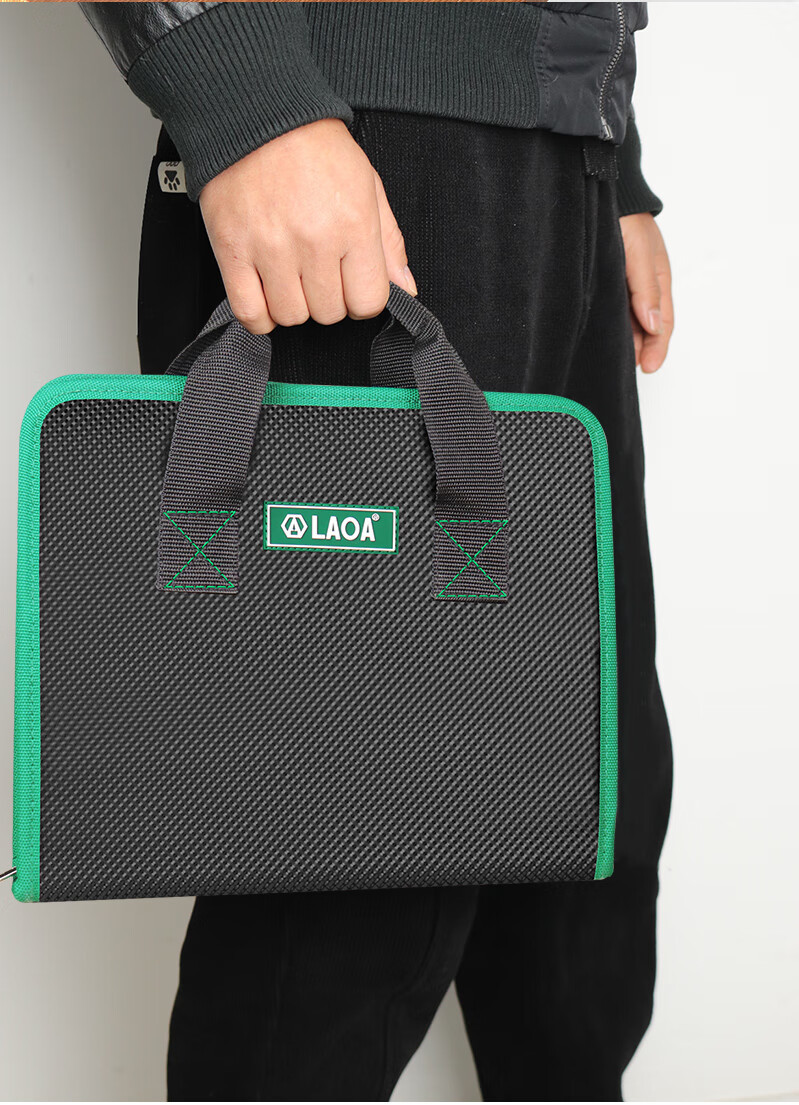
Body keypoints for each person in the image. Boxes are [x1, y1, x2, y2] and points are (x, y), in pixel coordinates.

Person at [80, 3, 674, 1100]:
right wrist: (244, 96)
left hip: (567, 161)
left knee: (586, 814)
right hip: (360, 139)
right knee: (342, 867)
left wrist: (612, 148)